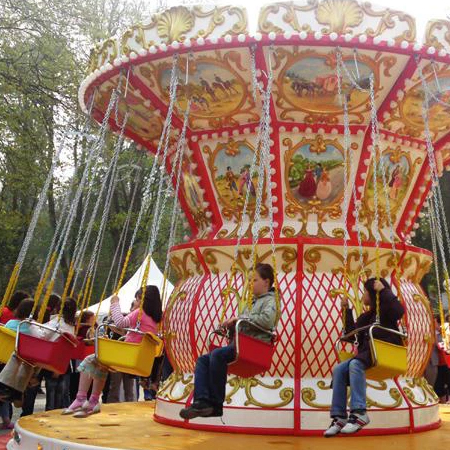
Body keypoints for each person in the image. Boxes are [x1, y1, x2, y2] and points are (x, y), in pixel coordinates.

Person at [179, 263, 278, 420]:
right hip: (242, 343)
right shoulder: (252, 302)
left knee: (217, 355)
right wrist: (231, 326)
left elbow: (267, 320)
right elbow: (245, 323)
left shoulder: (271, 301)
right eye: (249, 280)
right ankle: (202, 401)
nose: (250, 284)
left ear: (266, 282)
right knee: (203, 360)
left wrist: (239, 319)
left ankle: (216, 404)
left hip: (255, 346)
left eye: (254, 280)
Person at [63, 285, 162, 418]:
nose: (136, 303)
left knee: (89, 360)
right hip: (139, 357)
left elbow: (120, 322)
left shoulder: (140, 313)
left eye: (137, 300)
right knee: (102, 365)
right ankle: (93, 401)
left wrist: (115, 303)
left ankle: (81, 398)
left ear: (143, 300)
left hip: (128, 355)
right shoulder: (156, 319)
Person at [324, 278, 405, 437]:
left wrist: (384, 291)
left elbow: (399, 311)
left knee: (355, 364)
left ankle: (359, 411)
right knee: (339, 369)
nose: (363, 294)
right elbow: (350, 334)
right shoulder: (367, 316)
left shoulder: (386, 310)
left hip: (385, 350)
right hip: (368, 354)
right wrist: (346, 310)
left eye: (366, 291)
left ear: (374, 293)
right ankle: (339, 416)